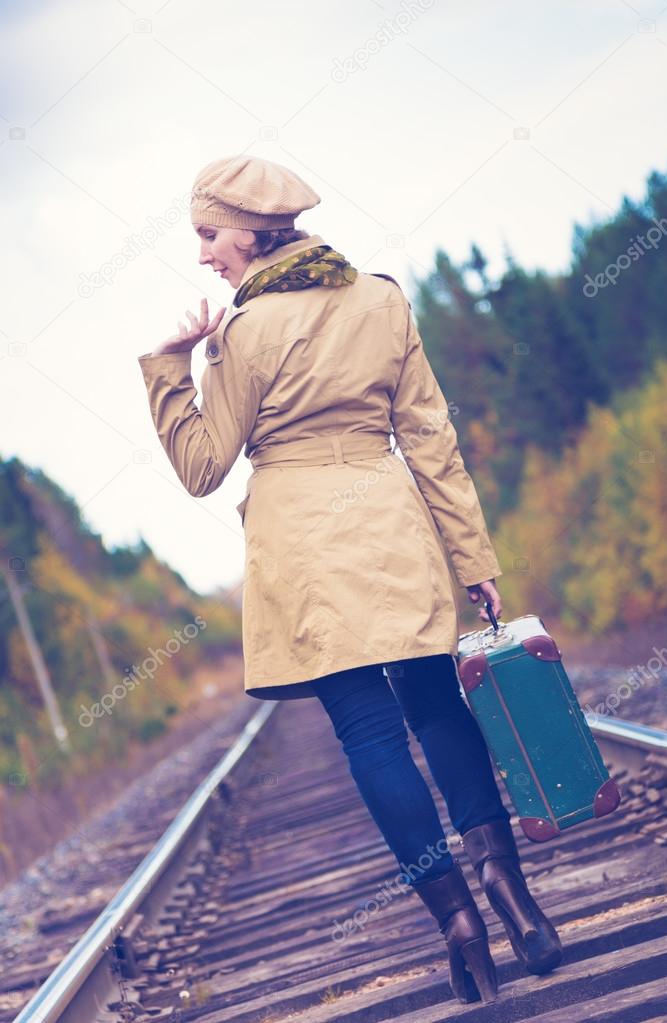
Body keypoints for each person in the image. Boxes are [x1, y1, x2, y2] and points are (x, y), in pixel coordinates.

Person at [137, 154, 562, 1004]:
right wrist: (473, 559)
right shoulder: (381, 299)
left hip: (304, 543)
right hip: (390, 520)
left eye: (208, 235)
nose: (201, 256)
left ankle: (457, 921)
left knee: (370, 736)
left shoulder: (243, 334)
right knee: (439, 704)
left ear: (253, 232)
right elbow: (431, 441)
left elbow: (203, 465)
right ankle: (510, 888)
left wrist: (168, 367)